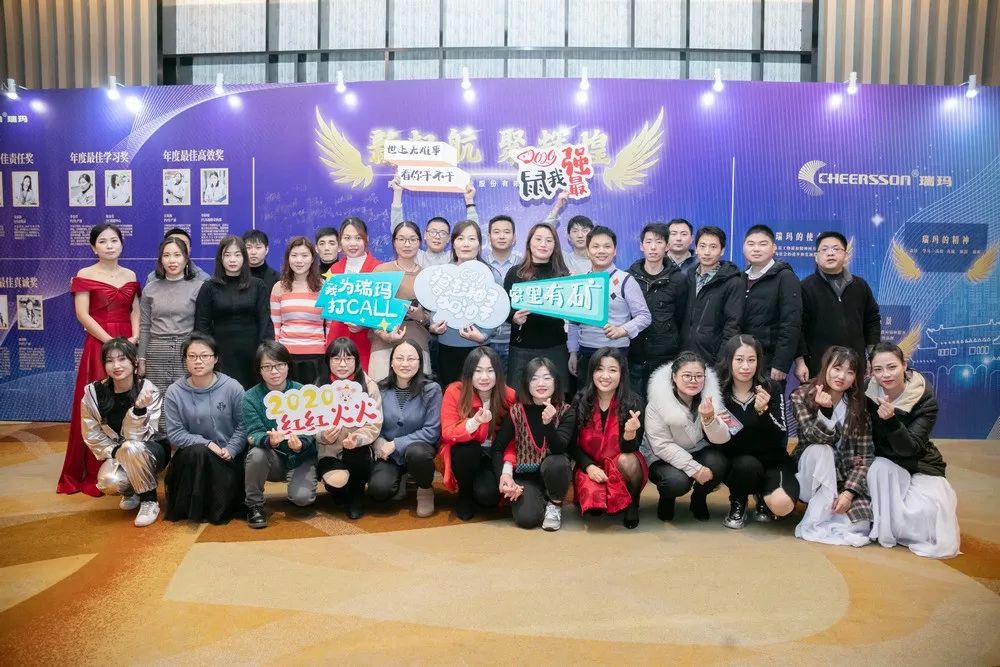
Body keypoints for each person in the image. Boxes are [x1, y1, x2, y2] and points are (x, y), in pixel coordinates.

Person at [58, 224, 141, 497]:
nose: (109, 245)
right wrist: (111, 343)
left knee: (128, 403)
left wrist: (134, 338)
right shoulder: (86, 274)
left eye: (114, 240)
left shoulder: (130, 274)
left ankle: (130, 466)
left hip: (127, 344)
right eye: (103, 241)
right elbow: (82, 314)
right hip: (99, 345)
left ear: (121, 244)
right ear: (93, 247)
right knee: (98, 405)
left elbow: (135, 311)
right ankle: (94, 469)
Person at [865, 342, 959, 558]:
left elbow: (910, 449)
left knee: (928, 517)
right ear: (872, 372)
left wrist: (891, 420)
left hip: (919, 463)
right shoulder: (867, 393)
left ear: (904, 365)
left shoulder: (925, 399)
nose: (885, 375)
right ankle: (884, 526)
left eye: (892, 367)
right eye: (878, 369)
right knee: (878, 468)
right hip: (886, 462)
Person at [80, 338, 168, 527]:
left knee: (131, 447)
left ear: (134, 362)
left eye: (122, 359)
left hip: (152, 449)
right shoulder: (93, 394)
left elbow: (141, 437)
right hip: (119, 451)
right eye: (110, 360)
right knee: (109, 481)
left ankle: (149, 501)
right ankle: (132, 491)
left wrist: (138, 410)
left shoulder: (148, 390)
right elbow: (91, 433)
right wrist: (113, 451)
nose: (116, 366)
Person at [791, 345, 874, 547]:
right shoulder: (802, 395)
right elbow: (812, 437)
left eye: (850, 372)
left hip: (843, 478)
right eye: (837, 368)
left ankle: (829, 509)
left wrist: (849, 492)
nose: (841, 376)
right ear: (825, 367)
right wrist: (825, 412)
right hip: (809, 473)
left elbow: (865, 456)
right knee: (822, 450)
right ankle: (818, 514)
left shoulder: (858, 406)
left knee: (860, 525)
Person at [716, 335, 798, 529]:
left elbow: (781, 433)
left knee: (783, 506)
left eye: (751, 360)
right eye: (739, 360)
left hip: (773, 460)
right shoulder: (718, 390)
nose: (745, 366)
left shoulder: (771, 388)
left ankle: (763, 495)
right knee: (746, 465)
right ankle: (738, 500)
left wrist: (763, 412)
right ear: (729, 361)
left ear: (759, 362)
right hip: (738, 463)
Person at [163, 333, 246, 524]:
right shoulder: (174, 392)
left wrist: (231, 449)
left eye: (204, 356)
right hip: (192, 459)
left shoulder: (232, 387)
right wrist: (207, 444)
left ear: (215, 358)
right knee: (199, 452)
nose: (198, 361)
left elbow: (243, 425)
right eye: (192, 356)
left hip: (227, 456)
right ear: (185, 360)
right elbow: (175, 433)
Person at [642, 350, 730, 522]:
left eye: (699, 376)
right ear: (674, 377)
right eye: (687, 375)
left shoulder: (710, 399)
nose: (693, 380)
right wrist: (695, 469)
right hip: (661, 456)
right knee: (677, 482)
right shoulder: (658, 402)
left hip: (696, 449)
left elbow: (722, 439)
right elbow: (661, 445)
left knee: (718, 463)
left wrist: (709, 419)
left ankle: (699, 497)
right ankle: (667, 499)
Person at [242, 341, 319, 528]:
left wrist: (301, 444)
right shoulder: (251, 397)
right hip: (273, 458)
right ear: (259, 370)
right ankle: (254, 505)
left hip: (301, 457)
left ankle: (299, 484)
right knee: (256, 454)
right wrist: (269, 441)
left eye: (279, 365)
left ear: (288, 365)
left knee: (302, 499)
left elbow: (312, 427)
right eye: (267, 367)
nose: (274, 371)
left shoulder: (302, 392)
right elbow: (253, 433)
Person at [492, 357, 575, 531]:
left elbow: (559, 448)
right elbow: (498, 448)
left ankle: (555, 503)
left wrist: (548, 424)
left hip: (554, 472)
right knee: (527, 519)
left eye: (547, 378)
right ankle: (539, 499)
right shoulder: (516, 411)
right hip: (526, 476)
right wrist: (504, 476)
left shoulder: (566, 411)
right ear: (526, 383)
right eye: (534, 378)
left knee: (558, 462)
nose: (541, 383)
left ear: (556, 381)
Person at [570, 348, 646, 528]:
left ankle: (632, 503)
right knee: (595, 510)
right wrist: (588, 467)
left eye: (612, 370)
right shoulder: (580, 400)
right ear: (592, 372)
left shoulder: (634, 401)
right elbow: (571, 444)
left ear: (622, 374)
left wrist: (629, 433)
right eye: (599, 369)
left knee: (629, 460)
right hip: (590, 464)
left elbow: (631, 448)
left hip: (619, 463)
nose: (605, 376)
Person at [440, 346, 514, 520]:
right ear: (468, 373)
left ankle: (480, 487)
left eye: (490, 371)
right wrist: (475, 422)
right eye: (478, 371)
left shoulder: (509, 395)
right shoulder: (455, 391)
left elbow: (514, 438)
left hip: (494, 454)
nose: (484, 377)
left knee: (488, 497)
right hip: (465, 452)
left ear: (498, 373)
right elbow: (447, 432)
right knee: (468, 449)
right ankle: (464, 493)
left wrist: (507, 469)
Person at [795, 231, 881, 382]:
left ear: (846, 256)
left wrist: (873, 357)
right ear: (816, 257)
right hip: (818, 366)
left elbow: (872, 321)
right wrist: (800, 362)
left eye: (836, 249)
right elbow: (797, 328)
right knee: (819, 397)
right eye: (824, 249)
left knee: (855, 397)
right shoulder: (805, 287)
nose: (830, 253)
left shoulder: (860, 285)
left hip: (854, 366)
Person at [567, 226, 651, 381]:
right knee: (586, 396)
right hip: (585, 354)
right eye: (595, 246)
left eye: (607, 246)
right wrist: (572, 352)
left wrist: (622, 330)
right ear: (588, 251)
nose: (601, 251)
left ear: (615, 250)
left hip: (616, 353)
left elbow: (644, 316)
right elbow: (573, 322)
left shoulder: (626, 280)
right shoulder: (580, 282)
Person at [369, 339, 442, 517]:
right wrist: (378, 441)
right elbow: (373, 423)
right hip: (388, 454)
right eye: (400, 358)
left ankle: (425, 488)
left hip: (419, 449)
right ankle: (400, 478)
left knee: (417, 453)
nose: (405, 364)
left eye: (411, 359)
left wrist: (396, 443)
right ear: (391, 362)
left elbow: (432, 431)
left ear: (420, 362)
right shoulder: (379, 388)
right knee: (378, 490)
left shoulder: (431, 389)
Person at [138, 237, 205, 430]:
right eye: (166, 255)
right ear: (160, 260)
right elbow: (144, 326)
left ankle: (185, 444)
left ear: (186, 258)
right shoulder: (150, 288)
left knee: (187, 399)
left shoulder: (199, 286)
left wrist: (198, 355)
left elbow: (202, 325)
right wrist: (141, 358)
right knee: (156, 402)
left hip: (186, 351)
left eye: (177, 255)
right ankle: (159, 444)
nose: (172, 260)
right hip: (156, 352)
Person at [314, 337, 382, 520]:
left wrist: (357, 438)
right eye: (337, 359)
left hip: (358, 449)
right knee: (337, 485)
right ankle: (339, 490)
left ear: (356, 360)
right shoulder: (319, 386)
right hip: (329, 450)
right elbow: (311, 423)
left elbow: (375, 423)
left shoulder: (369, 385)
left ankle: (357, 495)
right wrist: (323, 436)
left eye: (348, 359)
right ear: (328, 361)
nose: (342, 364)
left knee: (357, 457)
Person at [194, 236, 273, 389]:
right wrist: (208, 353)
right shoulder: (209, 287)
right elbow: (202, 325)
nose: (232, 259)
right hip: (221, 352)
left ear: (244, 257)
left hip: (252, 352)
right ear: (220, 258)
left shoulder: (258, 285)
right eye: (227, 254)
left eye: (237, 255)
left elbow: (265, 321)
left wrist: (264, 352)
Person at [429, 220, 499, 386]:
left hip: (480, 349)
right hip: (447, 348)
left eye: (472, 239)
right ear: (453, 243)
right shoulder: (442, 274)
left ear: (479, 244)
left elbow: (498, 311)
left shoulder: (491, 274)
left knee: (479, 395)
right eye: (460, 238)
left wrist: (483, 336)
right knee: (451, 393)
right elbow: (434, 308)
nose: (466, 244)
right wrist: (433, 327)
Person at [505, 223, 571, 391]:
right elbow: (504, 309)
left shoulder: (564, 275)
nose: (543, 244)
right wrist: (514, 317)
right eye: (538, 239)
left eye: (549, 240)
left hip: (555, 346)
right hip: (522, 347)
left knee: (555, 397)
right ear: (529, 243)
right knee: (519, 397)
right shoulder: (515, 273)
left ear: (555, 245)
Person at [627, 222, 688, 399]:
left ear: (667, 246)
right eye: (649, 242)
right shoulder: (629, 277)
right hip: (634, 356)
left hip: (665, 358)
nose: (653, 247)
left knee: (663, 405)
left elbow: (682, 317)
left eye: (659, 242)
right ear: (641, 246)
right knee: (635, 405)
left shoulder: (678, 279)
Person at [369, 221, 433, 381]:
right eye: (402, 239)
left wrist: (420, 317)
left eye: (412, 239)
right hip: (383, 346)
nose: (407, 244)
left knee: (418, 393)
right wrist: (385, 335)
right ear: (394, 242)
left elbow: (433, 317)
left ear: (420, 242)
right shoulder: (381, 271)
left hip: (417, 345)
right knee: (380, 393)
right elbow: (371, 311)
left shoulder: (427, 276)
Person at [740, 224, 802, 384]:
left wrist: (781, 363)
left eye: (763, 244)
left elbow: (791, 323)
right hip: (741, 359)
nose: (756, 249)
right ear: (744, 247)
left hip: (769, 362)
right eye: (751, 244)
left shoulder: (785, 277)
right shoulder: (740, 278)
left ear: (774, 248)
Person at [681, 225, 743, 364]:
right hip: (684, 355)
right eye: (702, 246)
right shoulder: (688, 277)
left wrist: (722, 360)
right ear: (696, 248)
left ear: (722, 250)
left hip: (712, 358)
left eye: (713, 247)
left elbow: (732, 325)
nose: (707, 252)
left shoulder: (732, 282)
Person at [324, 217, 380, 369]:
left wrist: (364, 324)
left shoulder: (378, 269)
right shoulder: (334, 270)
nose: (353, 243)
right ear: (340, 241)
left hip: (367, 340)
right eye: (347, 238)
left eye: (358, 238)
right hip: (338, 338)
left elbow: (382, 310)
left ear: (367, 239)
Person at [271, 236, 327, 384]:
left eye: (304, 255)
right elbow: (275, 326)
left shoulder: (324, 286)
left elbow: (330, 325)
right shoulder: (278, 287)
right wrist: (277, 355)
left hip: (317, 357)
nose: (299, 260)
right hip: (286, 357)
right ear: (288, 258)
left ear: (312, 258)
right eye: (294, 255)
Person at [390, 177, 478, 267]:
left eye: (442, 233)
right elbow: (398, 230)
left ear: (448, 238)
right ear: (425, 235)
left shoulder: (454, 257)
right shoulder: (416, 256)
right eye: (433, 232)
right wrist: (397, 193)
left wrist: (469, 201)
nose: (437, 237)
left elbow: (472, 231)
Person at [483, 214, 523, 367]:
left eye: (506, 232)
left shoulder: (524, 265)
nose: (501, 236)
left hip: (515, 340)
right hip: (484, 339)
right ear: (489, 236)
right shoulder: (480, 265)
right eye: (496, 232)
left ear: (514, 237)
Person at [146, 228, 211, 283]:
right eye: (171, 242)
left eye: (183, 244)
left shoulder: (203, 279)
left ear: (190, 249)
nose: (176, 246)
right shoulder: (152, 279)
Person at [243, 229, 280, 293]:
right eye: (248, 247)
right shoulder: (237, 276)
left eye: (258, 247)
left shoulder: (278, 279)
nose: (253, 252)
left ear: (267, 249)